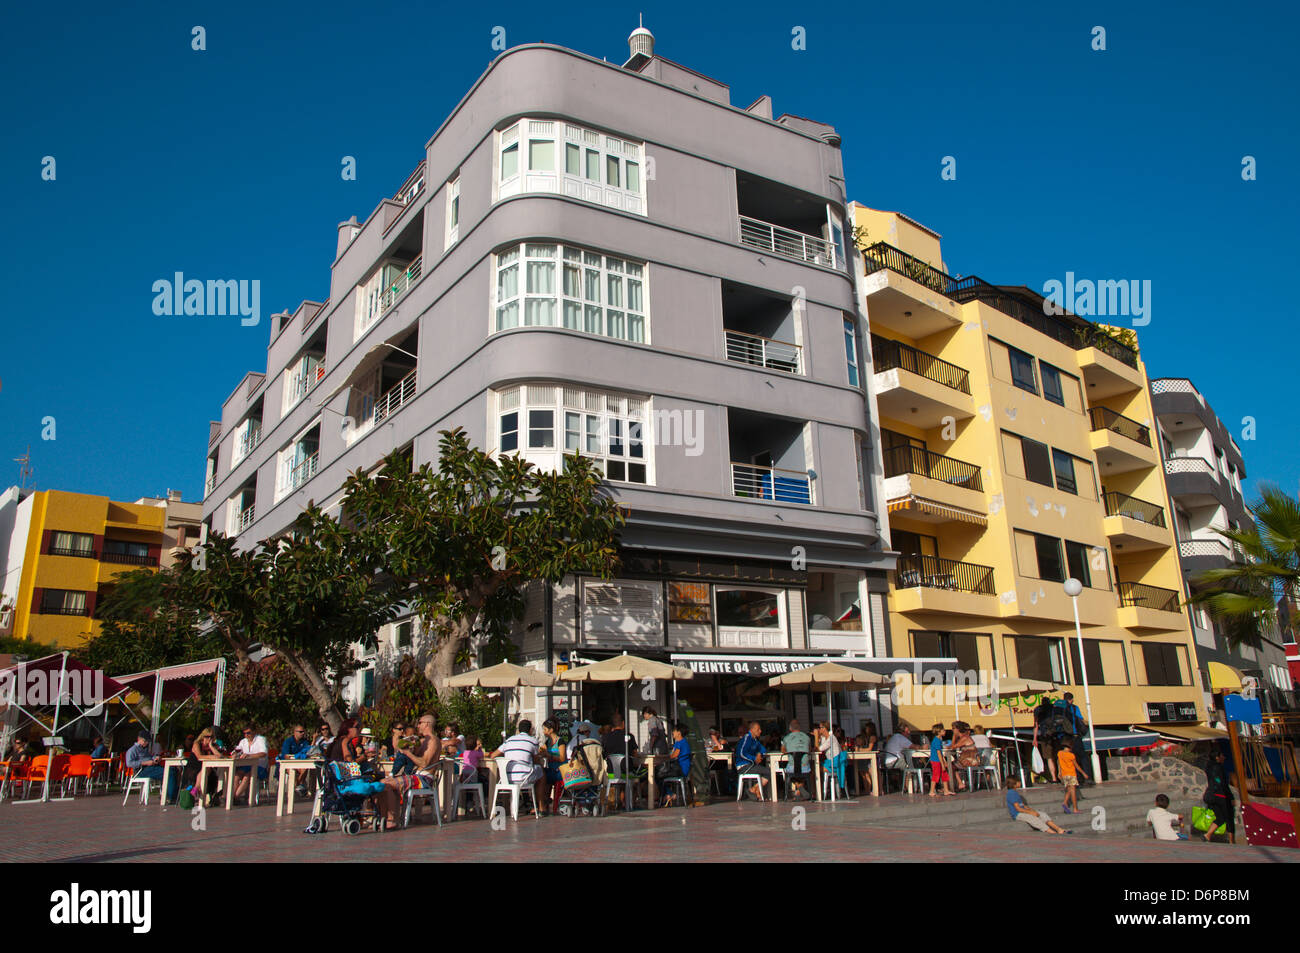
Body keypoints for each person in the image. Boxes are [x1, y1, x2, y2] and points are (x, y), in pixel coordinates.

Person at [375, 713, 441, 830]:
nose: (418, 725)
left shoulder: (433, 741)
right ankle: (385, 818)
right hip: (416, 775)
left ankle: (392, 819)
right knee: (382, 783)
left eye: (420, 723)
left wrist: (407, 753)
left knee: (387, 784)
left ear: (427, 724)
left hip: (424, 779)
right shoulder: (423, 741)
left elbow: (424, 763)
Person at [490, 719, 546, 813]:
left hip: (507, 778)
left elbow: (493, 755)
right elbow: (536, 760)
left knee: (534, 771)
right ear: (530, 730)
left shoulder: (508, 741)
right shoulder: (533, 741)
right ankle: (541, 807)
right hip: (523, 778)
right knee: (541, 773)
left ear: (518, 730)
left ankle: (507, 807)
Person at [125, 730, 176, 800]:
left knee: (173, 769)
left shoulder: (144, 749)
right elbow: (129, 763)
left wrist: (156, 758)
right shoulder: (132, 750)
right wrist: (145, 763)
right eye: (145, 741)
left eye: (147, 741)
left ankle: (169, 794)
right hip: (142, 770)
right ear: (139, 739)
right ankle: (170, 797)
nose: (147, 743)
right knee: (169, 772)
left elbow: (150, 757)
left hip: (151, 767)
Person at [1202, 748, 1236, 844]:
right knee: (1229, 818)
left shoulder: (1208, 767)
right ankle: (1231, 841)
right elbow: (1222, 784)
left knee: (1220, 818)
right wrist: (1231, 797)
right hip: (1221, 796)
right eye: (1222, 756)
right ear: (1217, 758)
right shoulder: (1219, 768)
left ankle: (1207, 835)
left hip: (1211, 796)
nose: (1224, 758)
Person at [1055, 692, 1090, 781]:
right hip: (1074, 735)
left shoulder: (1058, 708)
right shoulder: (1073, 708)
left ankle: (1074, 778)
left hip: (1063, 737)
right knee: (1082, 757)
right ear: (1071, 699)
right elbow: (1080, 719)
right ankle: (1086, 776)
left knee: (1068, 757)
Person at [656, 723, 692, 805]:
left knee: (658, 775)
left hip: (679, 769)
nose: (672, 732)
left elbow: (675, 755)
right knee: (661, 774)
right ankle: (668, 794)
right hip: (685, 770)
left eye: (674, 731)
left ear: (679, 733)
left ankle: (669, 794)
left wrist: (665, 758)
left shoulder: (679, 742)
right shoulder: (685, 742)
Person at [232, 726, 268, 804]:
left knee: (247, 776)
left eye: (248, 733)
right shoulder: (243, 741)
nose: (246, 735)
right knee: (236, 775)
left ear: (254, 732)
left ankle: (234, 798)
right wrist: (234, 754)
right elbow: (237, 750)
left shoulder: (261, 740)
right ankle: (232, 797)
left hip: (260, 767)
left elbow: (263, 753)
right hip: (246, 766)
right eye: (244, 733)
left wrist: (249, 755)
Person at [540, 719, 567, 815]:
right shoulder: (548, 742)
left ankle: (546, 803)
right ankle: (543, 804)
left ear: (551, 730)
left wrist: (549, 756)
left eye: (545, 729)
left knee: (545, 778)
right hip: (551, 769)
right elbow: (542, 750)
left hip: (560, 770)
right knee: (541, 777)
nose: (544, 732)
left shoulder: (560, 741)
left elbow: (562, 758)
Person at [780, 719, 813, 800]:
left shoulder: (786, 738)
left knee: (788, 771)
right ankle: (800, 789)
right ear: (800, 728)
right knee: (809, 771)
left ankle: (798, 788)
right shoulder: (807, 737)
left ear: (790, 729)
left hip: (792, 768)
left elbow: (783, 750)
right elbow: (809, 750)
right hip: (805, 768)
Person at [735, 721, 768, 800]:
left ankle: (754, 789)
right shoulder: (747, 738)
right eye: (758, 729)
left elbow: (763, 750)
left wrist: (760, 753)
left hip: (751, 765)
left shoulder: (755, 740)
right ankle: (754, 790)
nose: (760, 731)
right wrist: (754, 758)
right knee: (769, 771)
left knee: (768, 771)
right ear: (752, 730)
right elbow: (742, 753)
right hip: (743, 766)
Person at [279, 724, 313, 797]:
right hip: (289, 764)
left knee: (305, 768)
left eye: (303, 732)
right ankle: (298, 786)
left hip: (301, 764)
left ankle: (297, 785)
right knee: (291, 770)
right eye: (300, 732)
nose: (302, 733)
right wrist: (295, 758)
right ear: (295, 732)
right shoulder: (288, 741)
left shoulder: (304, 742)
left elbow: (309, 751)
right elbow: (285, 755)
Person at [1031, 695, 1059, 783]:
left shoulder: (1037, 710)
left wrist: (1034, 738)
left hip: (1045, 736)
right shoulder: (1053, 708)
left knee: (1049, 758)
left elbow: (1035, 725)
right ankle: (1060, 774)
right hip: (1056, 734)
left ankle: (1054, 778)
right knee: (1058, 756)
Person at [817, 722, 846, 798]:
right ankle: (825, 789)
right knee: (816, 768)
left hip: (836, 761)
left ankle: (821, 791)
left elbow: (819, 749)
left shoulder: (831, 738)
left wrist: (816, 736)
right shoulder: (824, 738)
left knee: (817, 769)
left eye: (820, 727)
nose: (819, 729)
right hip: (830, 761)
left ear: (824, 728)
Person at [928, 723, 953, 797]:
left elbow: (941, 753)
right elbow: (938, 753)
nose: (945, 731)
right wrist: (942, 764)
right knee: (936, 775)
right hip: (936, 761)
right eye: (943, 730)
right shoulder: (936, 741)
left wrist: (944, 761)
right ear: (939, 732)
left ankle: (946, 790)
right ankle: (931, 791)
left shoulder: (939, 740)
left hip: (939, 760)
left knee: (944, 774)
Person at [1057, 739, 1080, 814]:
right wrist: (1083, 773)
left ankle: (1065, 802)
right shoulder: (1071, 755)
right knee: (1073, 791)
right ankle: (1075, 808)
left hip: (1064, 775)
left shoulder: (1059, 753)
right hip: (1071, 774)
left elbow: (1059, 764)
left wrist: (1059, 772)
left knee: (1069, 789)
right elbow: (1076, 766)